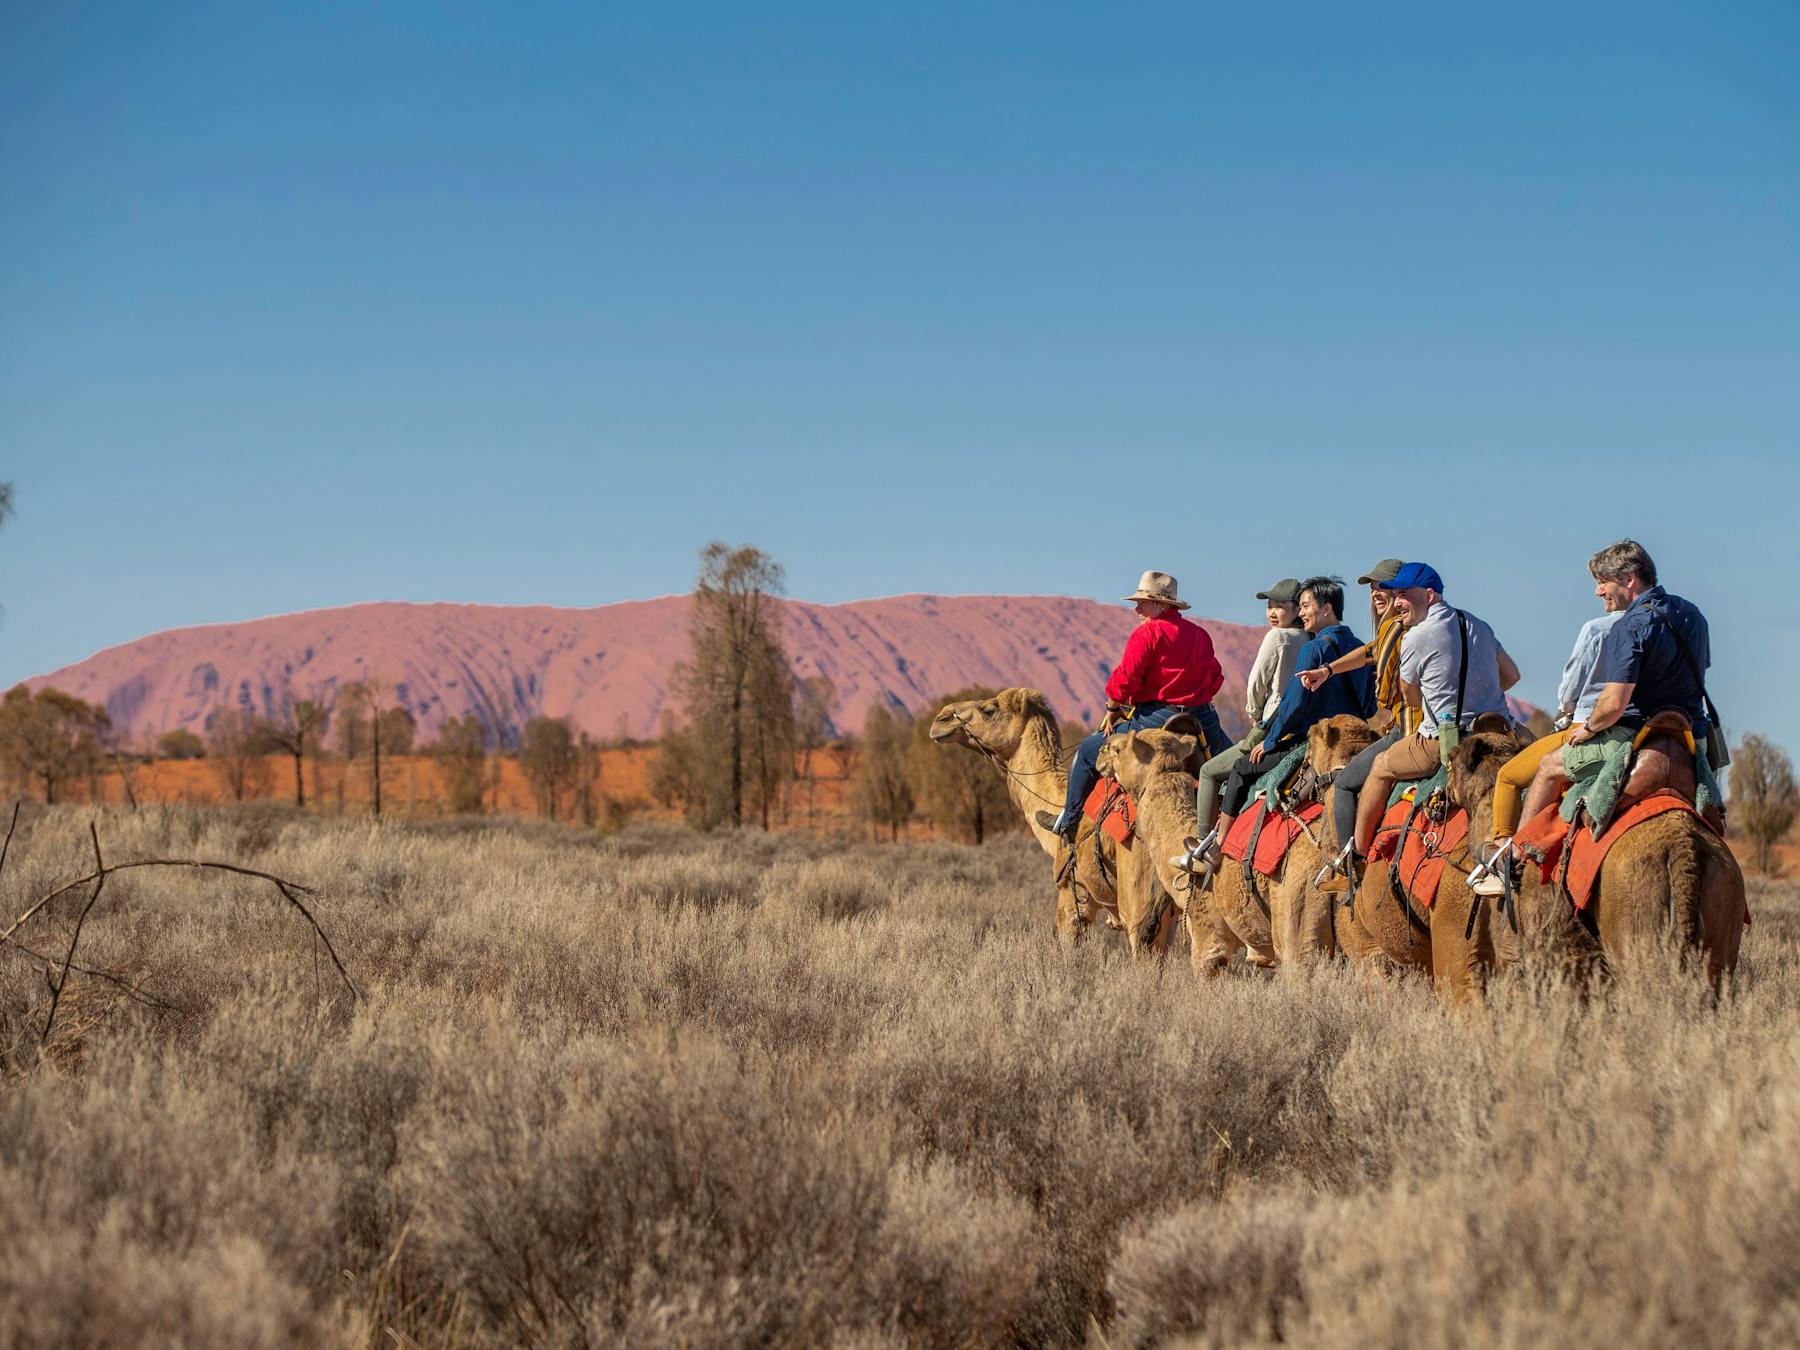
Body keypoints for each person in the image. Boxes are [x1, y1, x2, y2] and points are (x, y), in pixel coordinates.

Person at [1473, 539, 1710, 894]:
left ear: (1629, 579)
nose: (1599, 592)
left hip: (1632, 735)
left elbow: (1614, 704)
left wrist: (1589, 728)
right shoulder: (1693, 614)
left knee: (1549, 767)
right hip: (1691, 739)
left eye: (1603, 582)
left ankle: (1513, 858)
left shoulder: (1629, 626)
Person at [1318, 562, 1520, 891]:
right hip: (1498, 730)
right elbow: (1511, 677)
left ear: (1428, 595)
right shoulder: (1479, 624)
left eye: (1403, 595)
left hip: (1443, 738)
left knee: (1380, 767)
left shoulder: (1416, 635)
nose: (1397, 602)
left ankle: (1355, 861)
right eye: (1394, 595)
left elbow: (1409, 697)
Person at [1181, 576, 1373, 870]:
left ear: (1326, 608)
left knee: (1243, 769)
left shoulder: (1314, 648)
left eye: (1306, 605)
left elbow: (1294, 704)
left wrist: (1268, 742)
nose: (1302, 612)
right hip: (1354, 742)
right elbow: (1369, 706)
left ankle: (1216, 848)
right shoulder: (1360, 648)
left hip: (1315, 740)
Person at [1037, 570, 1229, 841]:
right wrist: (1193, 697)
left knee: (1088, 751)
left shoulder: (1147, 633)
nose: (1136, 608)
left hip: (1156, 720)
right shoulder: (1200, 635)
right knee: (1236, 766)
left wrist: (1113, 706)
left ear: (1161, 604)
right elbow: (1215, 677)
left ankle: (1067, 822)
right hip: (1202, 723)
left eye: (1142, 602)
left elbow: (1126, 678)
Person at [1469, 572, 1626, 895]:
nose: (1597, 591)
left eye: (1602, 583)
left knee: (1509, 777)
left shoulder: (1597, 629)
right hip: (1647, 728)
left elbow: (1569, 692)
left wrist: (1567, 707)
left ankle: (1504, 856)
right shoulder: (1663, 622)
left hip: (1587, 723)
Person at [1301, 558, 1417, 872]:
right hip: (1407, 724)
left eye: (1384, 586)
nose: (1376, 593)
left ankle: (1348, 865)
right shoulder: (1435, 624)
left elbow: (1388, 690)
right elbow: (1369, 652)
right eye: (1374, 588)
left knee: (1344, 784)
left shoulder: (1399, 627)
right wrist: (1327, 670)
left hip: (1409, 729)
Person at [1191, 578, 1308, 837]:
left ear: (1298, 608)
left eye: (1280, 606)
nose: (1272, 612)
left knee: (1208, 772)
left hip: (1271, 727)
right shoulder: (1312, 637)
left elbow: (1257, 681)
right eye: (1270, 606)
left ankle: (1203, 841)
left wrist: (1254, 712)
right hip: (1303, 727)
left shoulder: (1277, 636)